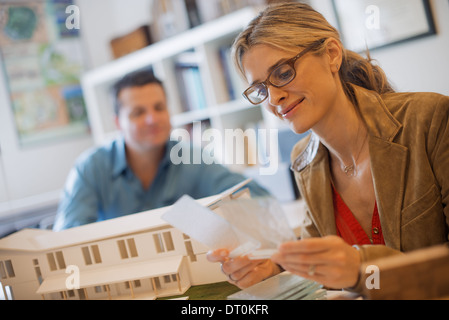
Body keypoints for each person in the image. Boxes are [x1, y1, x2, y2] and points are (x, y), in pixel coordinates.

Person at [207, 2, 449, 293]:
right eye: (261, 89)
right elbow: (318, 261)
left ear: (332, 55)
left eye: (283, 73)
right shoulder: (305, 161)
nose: (274, 98)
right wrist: (273, 267)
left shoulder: (429, 119)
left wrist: (362, 269)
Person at [53, 70, 269, 231]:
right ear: (118, 123)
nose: (152, 119)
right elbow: (67, 236)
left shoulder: (191, 158)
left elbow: (256, 199)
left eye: (159, 108)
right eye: (138, 112)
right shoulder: (91, 167)